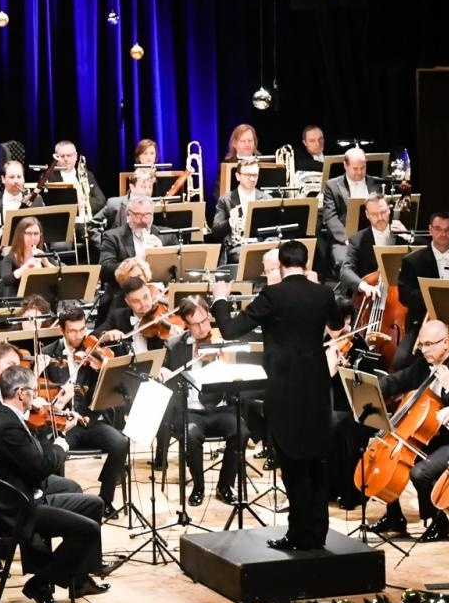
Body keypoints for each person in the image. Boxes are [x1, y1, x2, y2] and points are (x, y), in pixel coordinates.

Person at [210, 240, 343, 551]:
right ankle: (317, 534)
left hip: (285, 389)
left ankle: (299, 535)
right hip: (317, 387)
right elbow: (337, 324)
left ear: (281, 266)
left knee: (293, 461)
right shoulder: (323, 292)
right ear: (306, 264)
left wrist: (220, 300)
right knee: (315, 462)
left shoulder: (274, 294)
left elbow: (230, 330)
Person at [0, 364, 109, 603]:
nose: (36, 396)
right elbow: (41, 467)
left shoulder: (13, 418)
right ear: (21, 393)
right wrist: (61, 445)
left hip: (32, 494)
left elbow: (32, 456)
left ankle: (78, 578)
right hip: (24, 507)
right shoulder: (8, 426)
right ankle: (41, 583)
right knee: (87, 530)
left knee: (95, 504)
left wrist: (58, 432)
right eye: (33, 391)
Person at [363, 319, 449, 539]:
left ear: (445, 343)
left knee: (420, 472)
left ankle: (439, 523)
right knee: (387, 460)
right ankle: (394, 517)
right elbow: (396, 381)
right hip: (428, 437)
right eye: (422, 344)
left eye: (431, 344)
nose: (425, 350)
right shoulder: (422, 366)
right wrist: (369, 387)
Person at [41, 304, 130, 514]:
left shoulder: (94, 351)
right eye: (73, 331)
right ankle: (61, 504)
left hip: (91, 421)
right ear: (61, 330)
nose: (79, 335)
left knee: (120, 443)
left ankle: (105, 500)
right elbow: (42, 394)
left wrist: (100, 370)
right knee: (55, 449)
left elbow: (114, 388)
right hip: (64, 424)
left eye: (83, 329)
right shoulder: (48, 355)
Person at [157, 297, 243, 506]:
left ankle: (225, 485)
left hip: (221, 408)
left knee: (242, 430)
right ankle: (198, 486)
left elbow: (235, 381)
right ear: (186, 324)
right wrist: (163, 372)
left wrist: (225, 359)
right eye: (196, 324)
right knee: (191, 433)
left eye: (205, 321)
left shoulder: (222, 342)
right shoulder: (175, 345)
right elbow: (165, 376)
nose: (203, 328)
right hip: (191, 411)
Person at [395, 211, 449, 371]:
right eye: (438, 228)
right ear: (430, 230)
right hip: (423, 321)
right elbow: (406, 297)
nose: (443, 234)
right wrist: (436, 293)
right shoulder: (412, 261)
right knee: (402, 361)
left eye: (448, 229)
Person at [338, 195, 405, 303]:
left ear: (389, 210)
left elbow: (425, 251)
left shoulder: (402, 235)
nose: (379, 217)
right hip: (371, 296)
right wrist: (363, 285)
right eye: (374, 214)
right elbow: (345, 270)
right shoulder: (357, 239)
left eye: (383, 212)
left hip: (400, 297)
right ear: (367, 215)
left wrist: (407, 235)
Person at [319, 147, 374, 268]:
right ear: (345, 165)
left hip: (372, 237)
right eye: (355, 168)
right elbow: (330, 217)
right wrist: (346, 239)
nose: (359, 172)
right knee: (345, 261)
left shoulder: (376, 184)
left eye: (363, 168)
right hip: (344, 239)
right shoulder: (332, 186)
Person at [0, 159, 40, 262]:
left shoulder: (35, 201)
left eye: (19, 177)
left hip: (29, 254)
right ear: (3, 179)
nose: (16, 181)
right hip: (0, 257)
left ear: (24, 179)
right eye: (11, 177)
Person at [97, 195, 159, 288]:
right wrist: (136, 261)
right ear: (128, 215)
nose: (142, 220)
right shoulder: (112, 237)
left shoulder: (167, 235)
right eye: (138, 215)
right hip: (125, 291)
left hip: (159, 290)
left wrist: (163, 253)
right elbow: (105, 269)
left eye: (147, 215)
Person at [212, 159, 266, 261]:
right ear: (238, 176)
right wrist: (230, 222)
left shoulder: (266, 198)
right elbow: (216, 231)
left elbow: (273, 230)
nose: (252, 179)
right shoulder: (226, 200)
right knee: (244, 257)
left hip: (261, 244)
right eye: (248, 175)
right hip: (237, 248)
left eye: (255, 175)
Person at [0, 216, 56, 296]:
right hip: (18, 300)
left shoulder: (44, 255)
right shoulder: (10, 258)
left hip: (42, 298)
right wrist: (26, 267)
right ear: (20, 235)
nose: (33, 237)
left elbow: (60, 277)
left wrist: (46, 263)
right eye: (29, 233)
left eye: (36, 234)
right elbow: (6, 280)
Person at [39, 139, 107, 214]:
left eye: (69, 155)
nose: (66, 159)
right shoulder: (48, 177)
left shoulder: (87, 175)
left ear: (76, 156)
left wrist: (80, 206)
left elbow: (101, 200)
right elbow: (48, 204)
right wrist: (80, 204)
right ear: (56, 158)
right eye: (62, 156)